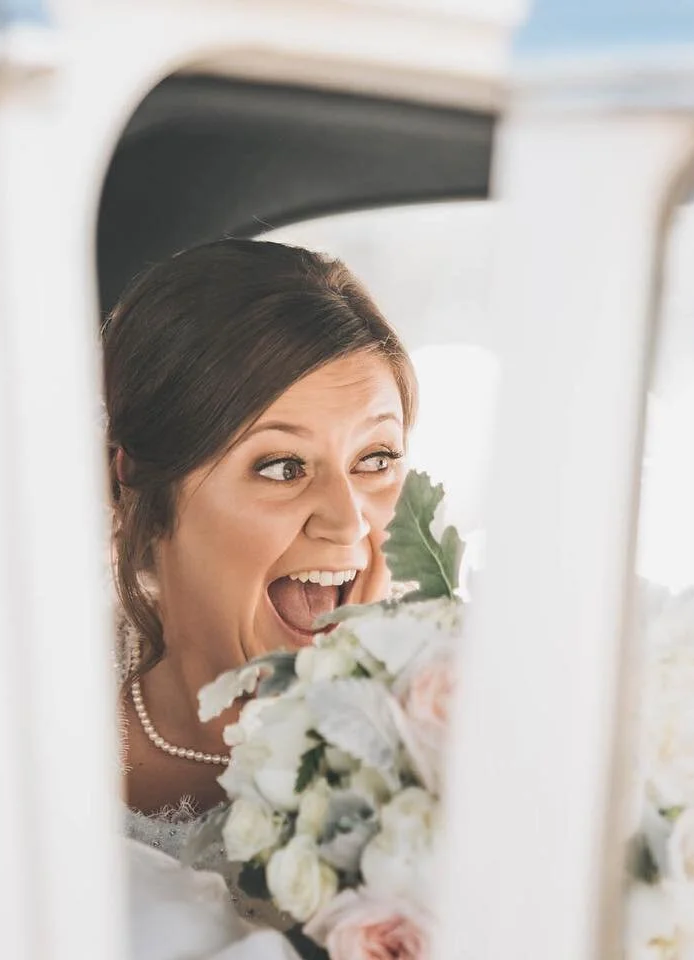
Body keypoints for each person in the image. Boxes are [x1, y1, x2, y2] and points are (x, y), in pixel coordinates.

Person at [102, 238, 417, 829]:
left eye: (375, 459)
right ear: (145, 479)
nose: (349, 521)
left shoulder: (451, 729)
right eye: (282, 467)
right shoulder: (27, 710)